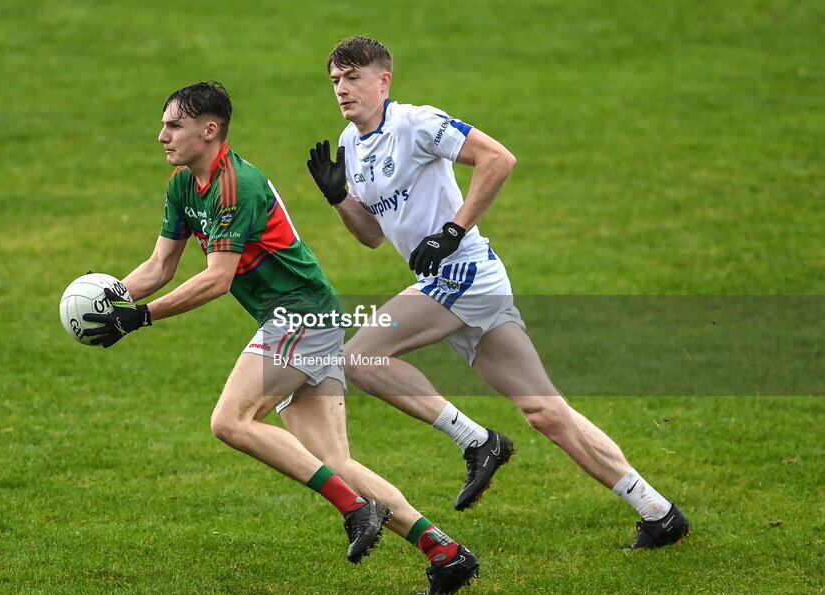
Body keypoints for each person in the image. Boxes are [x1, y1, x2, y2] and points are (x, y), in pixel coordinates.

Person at [83, 81, 481, 593]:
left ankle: (356, 509)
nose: (162, 135)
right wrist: (112, 298)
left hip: (300, 317)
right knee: (334, 463)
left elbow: (217, 278)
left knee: (231, 421)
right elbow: (160, 266)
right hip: (300, 318)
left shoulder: (236, 186)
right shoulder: (185, 184)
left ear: (209, 130)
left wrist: (142, 318)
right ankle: (445, 552)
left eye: (173, 125)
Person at [306, 37, 689, 549]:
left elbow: (497, 159)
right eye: (335, 80)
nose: (342, 89)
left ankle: (479, 441)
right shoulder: (351, 146)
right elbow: (372, 236)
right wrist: (338, 198)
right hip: (447, 283)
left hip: (463, 272)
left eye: (353, 78)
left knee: (359, 357)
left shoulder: (416, 123)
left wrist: (453, 230)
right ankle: (659, 512)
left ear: (383, 81)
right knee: (546, 412)